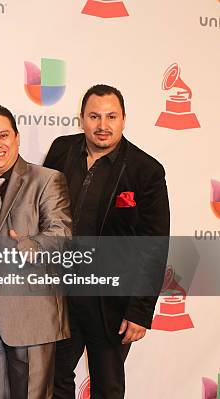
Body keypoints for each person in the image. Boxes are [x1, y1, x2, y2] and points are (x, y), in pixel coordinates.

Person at [44, 84, 170, 398]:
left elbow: (153, 246)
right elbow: (41, 207)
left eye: (111, 116)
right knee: (52, 379)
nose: (103, 125)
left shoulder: (146, 171)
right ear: (81, 119)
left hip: (111, 302)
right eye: (95, 116)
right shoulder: (62, 149)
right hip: (61, 296)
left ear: (124, 119)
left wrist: (139, 310)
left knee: (107, 387)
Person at [0, 104, 72, 399]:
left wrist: (30, 245)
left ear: (17, 138)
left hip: (31, 315)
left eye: (3, 135)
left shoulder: (46, 180)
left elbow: (62, 235)